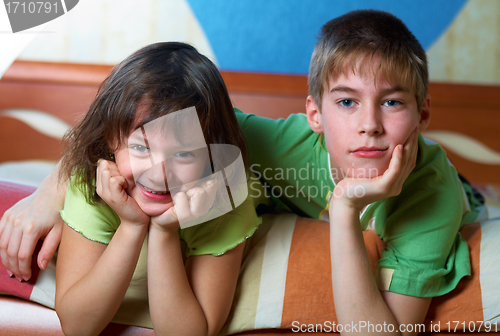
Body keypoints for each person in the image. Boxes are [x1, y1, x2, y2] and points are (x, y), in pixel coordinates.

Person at [0, 10, 483, 335]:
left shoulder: (430, 198)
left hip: (458, 192)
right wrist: (49, 191)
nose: (370, 125)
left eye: (393, 102)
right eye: (347, 102)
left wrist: (344, 208)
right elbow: (122, 135)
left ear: (422, 117)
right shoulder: (253, 144)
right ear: (315, 115)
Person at [6, 42, 260, 336]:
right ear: (110, 141)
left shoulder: (227, 196)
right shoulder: (92, 183)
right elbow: (77, 327)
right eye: (141, 148)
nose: (159, 174)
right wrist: (131, 225)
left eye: (184, 154)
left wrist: (164, 232)